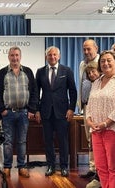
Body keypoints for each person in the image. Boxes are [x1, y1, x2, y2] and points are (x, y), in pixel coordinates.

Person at [0, 46, 38, 178]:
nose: (14, 58)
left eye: (17, 55)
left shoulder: (28, 71)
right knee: (8, 141)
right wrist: (2, 109)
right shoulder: (2, 73)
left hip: (24, 113)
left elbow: (34, 92)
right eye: (12, 55)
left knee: (22, 141)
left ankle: (21, 166)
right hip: (8, 113)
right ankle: (7, 167)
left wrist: (31, 109)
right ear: (8, 57)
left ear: (20, 56)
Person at [35, 46, 77, 177]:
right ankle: (50, 166)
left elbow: (73, 91)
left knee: (63, 140)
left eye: (54, 55)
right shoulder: (40, 71)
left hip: (62, 112)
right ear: (46, 57)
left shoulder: (67, 70)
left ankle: (64, 166)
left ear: (58, 56)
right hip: (46, 112)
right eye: (49, 55)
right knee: (48, 141)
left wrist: (71, 108)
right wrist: (37, 110)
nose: (52, 57)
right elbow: (36, 92)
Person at [86, 50, 115, 188]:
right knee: (101, 168)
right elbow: (90, 104)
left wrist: (106, 123)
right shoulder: (96, 82)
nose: (105, 63)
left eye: (108, 60)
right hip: (96, 131)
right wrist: (89, 121)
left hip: (112, 130)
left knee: (114, 168)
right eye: (102, 61)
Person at [78, 39, 101, 188]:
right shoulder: (82, 64)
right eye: (84, 49)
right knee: (90, 139)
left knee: (98, 139)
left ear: (96, 48)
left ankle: (99, 171)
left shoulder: (102, 62)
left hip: (99, 107)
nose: (86, 52)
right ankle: (93, 169)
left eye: (89, 49)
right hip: (87, 106)